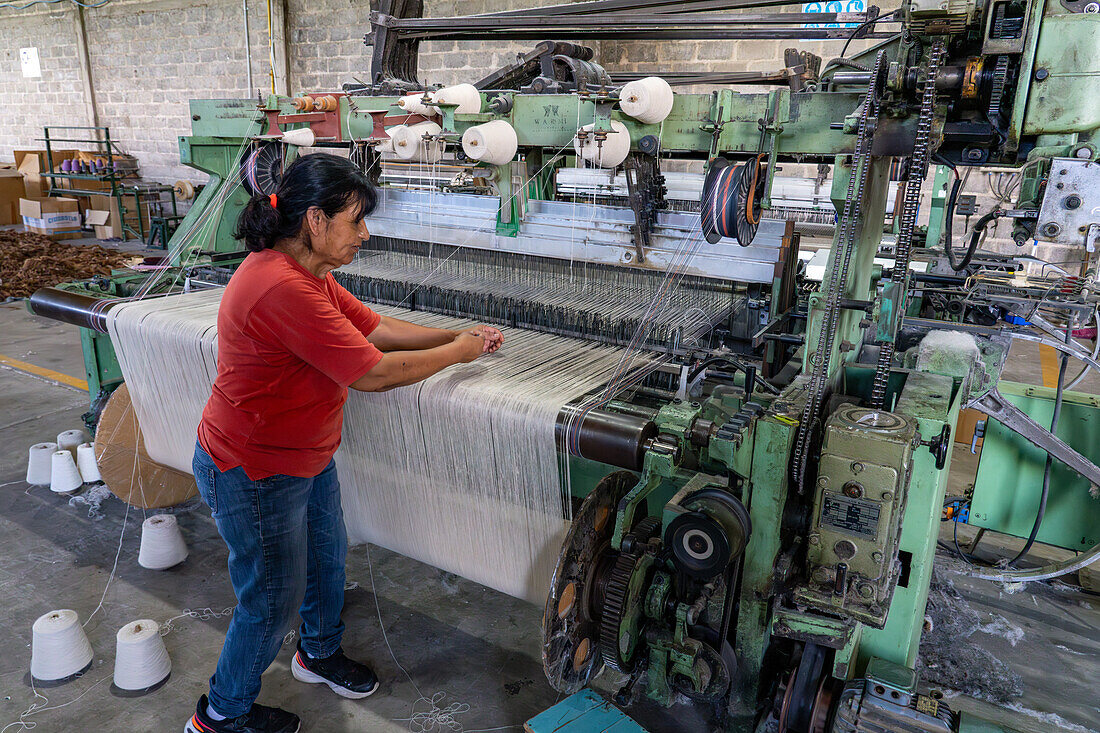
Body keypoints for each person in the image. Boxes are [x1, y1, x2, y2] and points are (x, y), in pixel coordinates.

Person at [185, 153, 503, 733]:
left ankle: (318, 652)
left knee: (328, 563)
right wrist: (456, 353)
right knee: (270, 601)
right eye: (355, 220)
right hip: (254, 470)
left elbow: (374, 328)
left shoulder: (310, 275)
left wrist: (459, 335)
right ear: (315, 221)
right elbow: (372, 372)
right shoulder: (279, 286)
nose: (364, 233)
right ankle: (219, 714)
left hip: (305, 456)